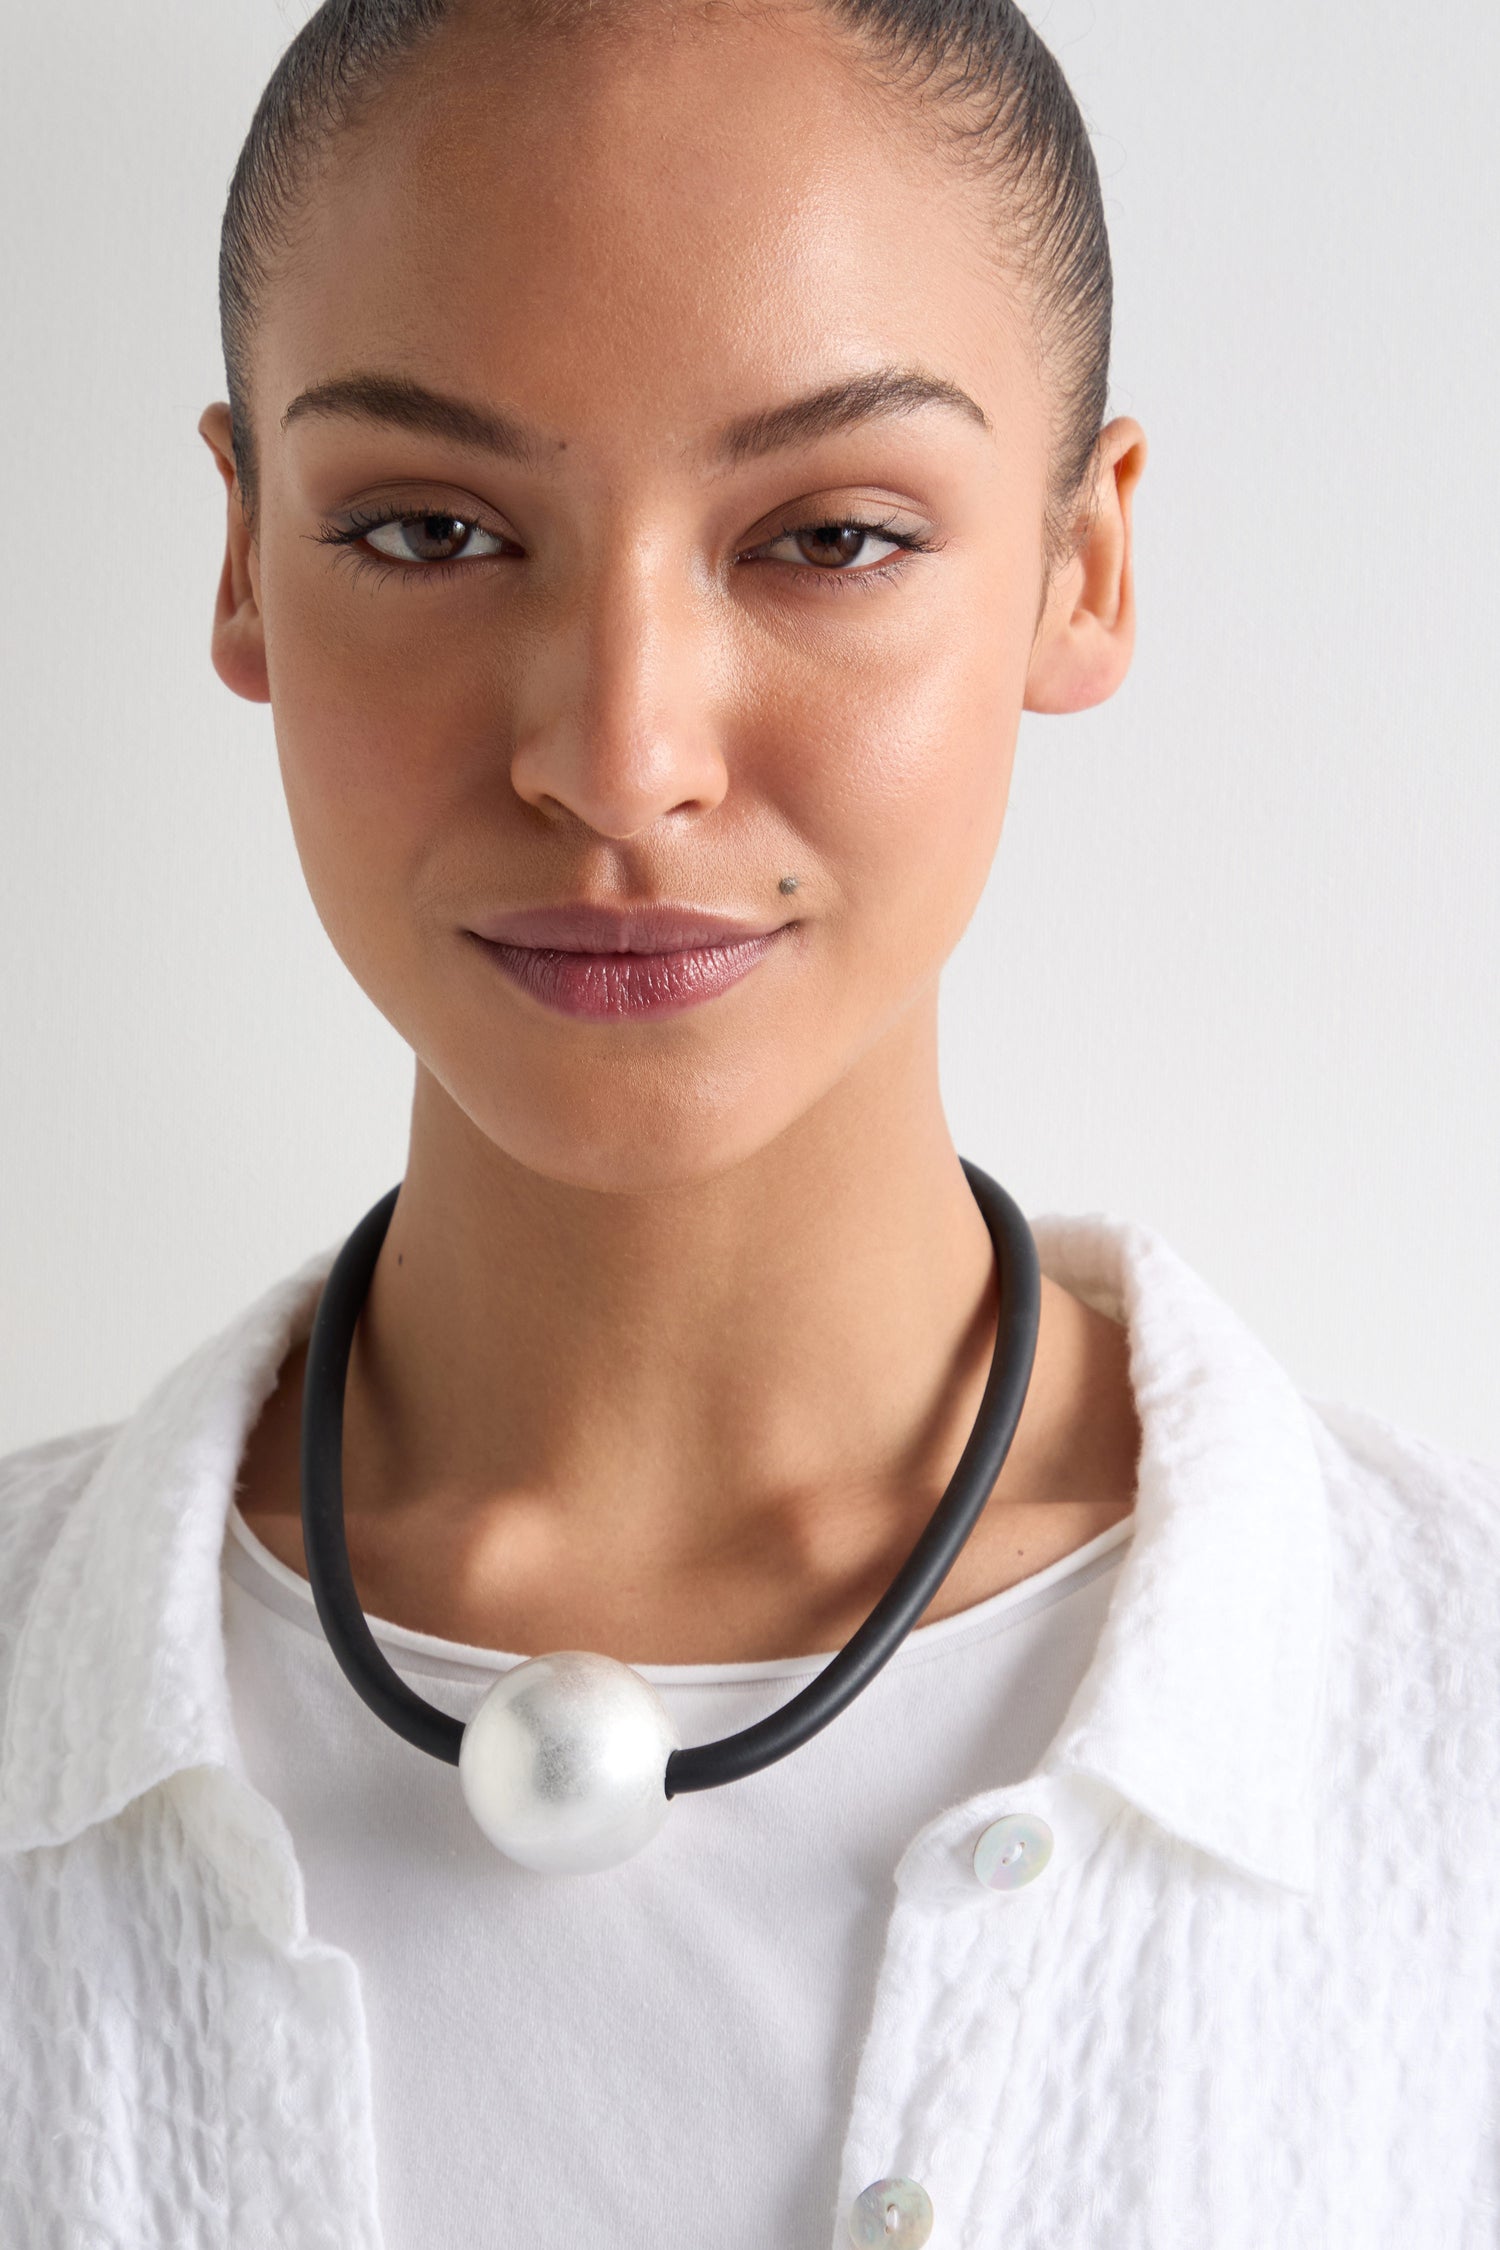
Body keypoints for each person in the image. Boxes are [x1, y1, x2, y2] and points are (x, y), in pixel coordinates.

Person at [1, 0, 1496, 2243]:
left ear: (1082, 566)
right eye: (426, 527)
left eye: (828, 537)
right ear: (241, 559)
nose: (621, 756)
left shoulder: (1448, 1737)